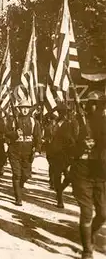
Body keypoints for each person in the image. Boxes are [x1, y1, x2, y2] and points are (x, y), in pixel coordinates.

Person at [70, 91, 106, 259]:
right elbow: (65, 146)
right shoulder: (77, 123)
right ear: (87, 105)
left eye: (98, 105)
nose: (94, 107)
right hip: (82, 171)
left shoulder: (104, 124)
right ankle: (87, 250)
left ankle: (89, 235)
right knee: (86, 212)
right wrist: (80, 145)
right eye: (91, 104)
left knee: (103, 213)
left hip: (99, 172)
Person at [7, 99, 41, 206]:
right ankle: (18, 198)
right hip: (15, 151)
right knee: (17, 175)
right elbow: (6, 133)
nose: (25, 110)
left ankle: (20, 185)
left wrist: (36, 148)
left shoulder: (33, 121)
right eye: (22, 108)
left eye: (27, 108)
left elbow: (38, 137)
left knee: (26, 175)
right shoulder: (13, 120)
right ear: (19, 109)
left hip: (27, 152)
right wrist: (14, 134)